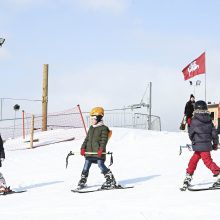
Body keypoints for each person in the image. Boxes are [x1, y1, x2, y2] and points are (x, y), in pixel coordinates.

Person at [182, 100, 220, 189]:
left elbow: (191, 134)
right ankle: (189, 175)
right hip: (205, 146)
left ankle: (218, 173)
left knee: (207, 162)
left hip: (199, 146)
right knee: (194, 160)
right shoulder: (209, 120)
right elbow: (214, 133)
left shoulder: (194, 121)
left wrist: (194, 141)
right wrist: (215, 144)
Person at [77, 107, 116, 189]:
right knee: (86, 165)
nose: (92, 120)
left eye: (94, 118)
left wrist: (101, 149)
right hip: (89, 152)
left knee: (100, 164)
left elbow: (104, 140)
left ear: (98, 118)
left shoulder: (103, 128)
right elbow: (87, 139)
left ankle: (110, 179)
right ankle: (83, 180)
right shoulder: (91, 128)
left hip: (98, 152)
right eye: (91, 118)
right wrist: (82, 148)